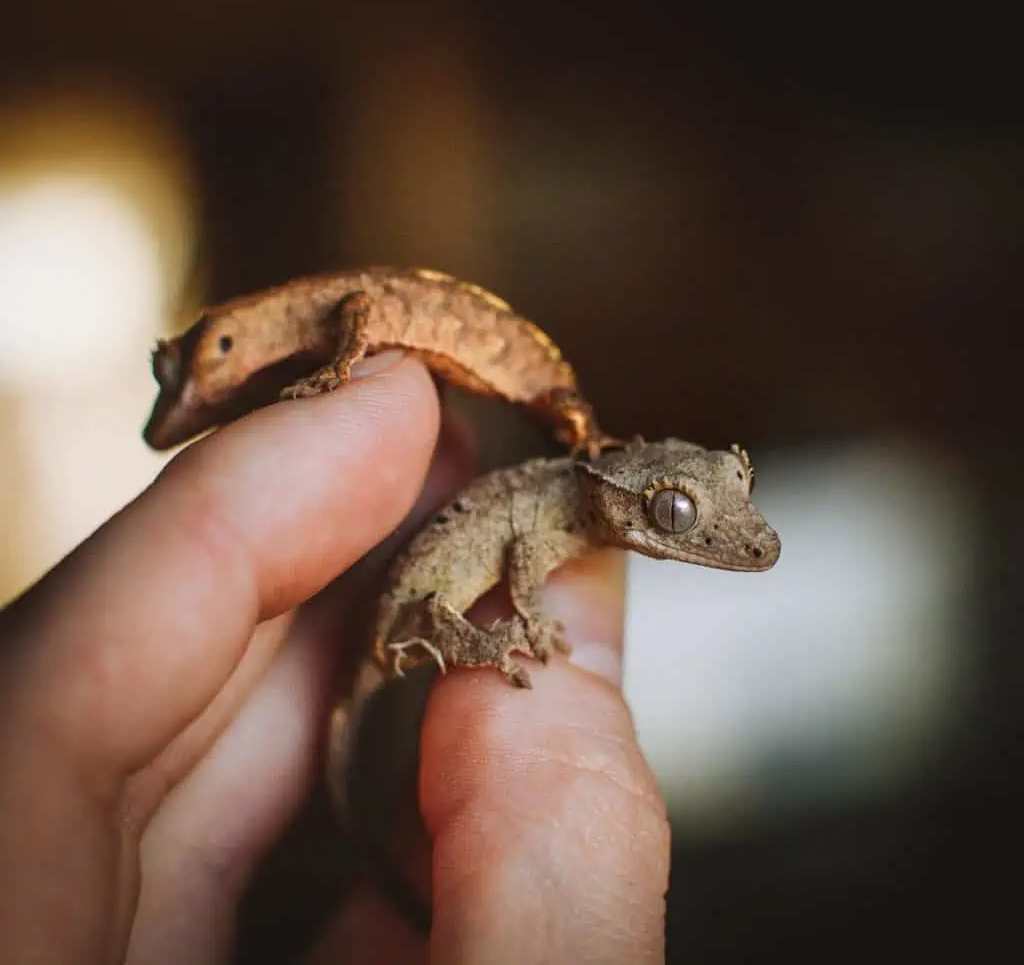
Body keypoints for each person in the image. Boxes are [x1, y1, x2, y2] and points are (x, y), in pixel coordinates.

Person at [0, 352, 669, 963]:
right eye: (672, 512)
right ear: (623, 494)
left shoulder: (573, 505)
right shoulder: (564, 516)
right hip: (414, 616)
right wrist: (514, 629)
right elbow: (524, 556)